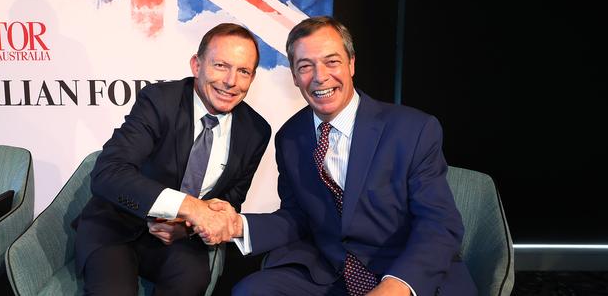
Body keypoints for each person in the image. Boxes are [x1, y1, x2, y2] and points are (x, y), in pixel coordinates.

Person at [201, 16, 477, 295]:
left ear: (351, 64)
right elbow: (297, 217)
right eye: (305, 66)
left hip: (405, 271)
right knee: (251, 291)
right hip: (330, 273)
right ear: (295, 77)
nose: (320, 76)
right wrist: (238, 225)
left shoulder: (412, 129)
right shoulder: (290, 137)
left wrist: (397, 285)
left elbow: (439, 223)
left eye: (331, 62)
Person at [74, 23, 271, 296]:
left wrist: (188, 228)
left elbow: (230, 200)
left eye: (243, 71)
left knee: (190, 283)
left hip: (180, 240)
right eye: (221, 66)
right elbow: (109, 173)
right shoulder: (159, 101)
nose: (231, 81)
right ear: (196, 65)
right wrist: (190, 208)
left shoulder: (256, 131)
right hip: (117, 226)